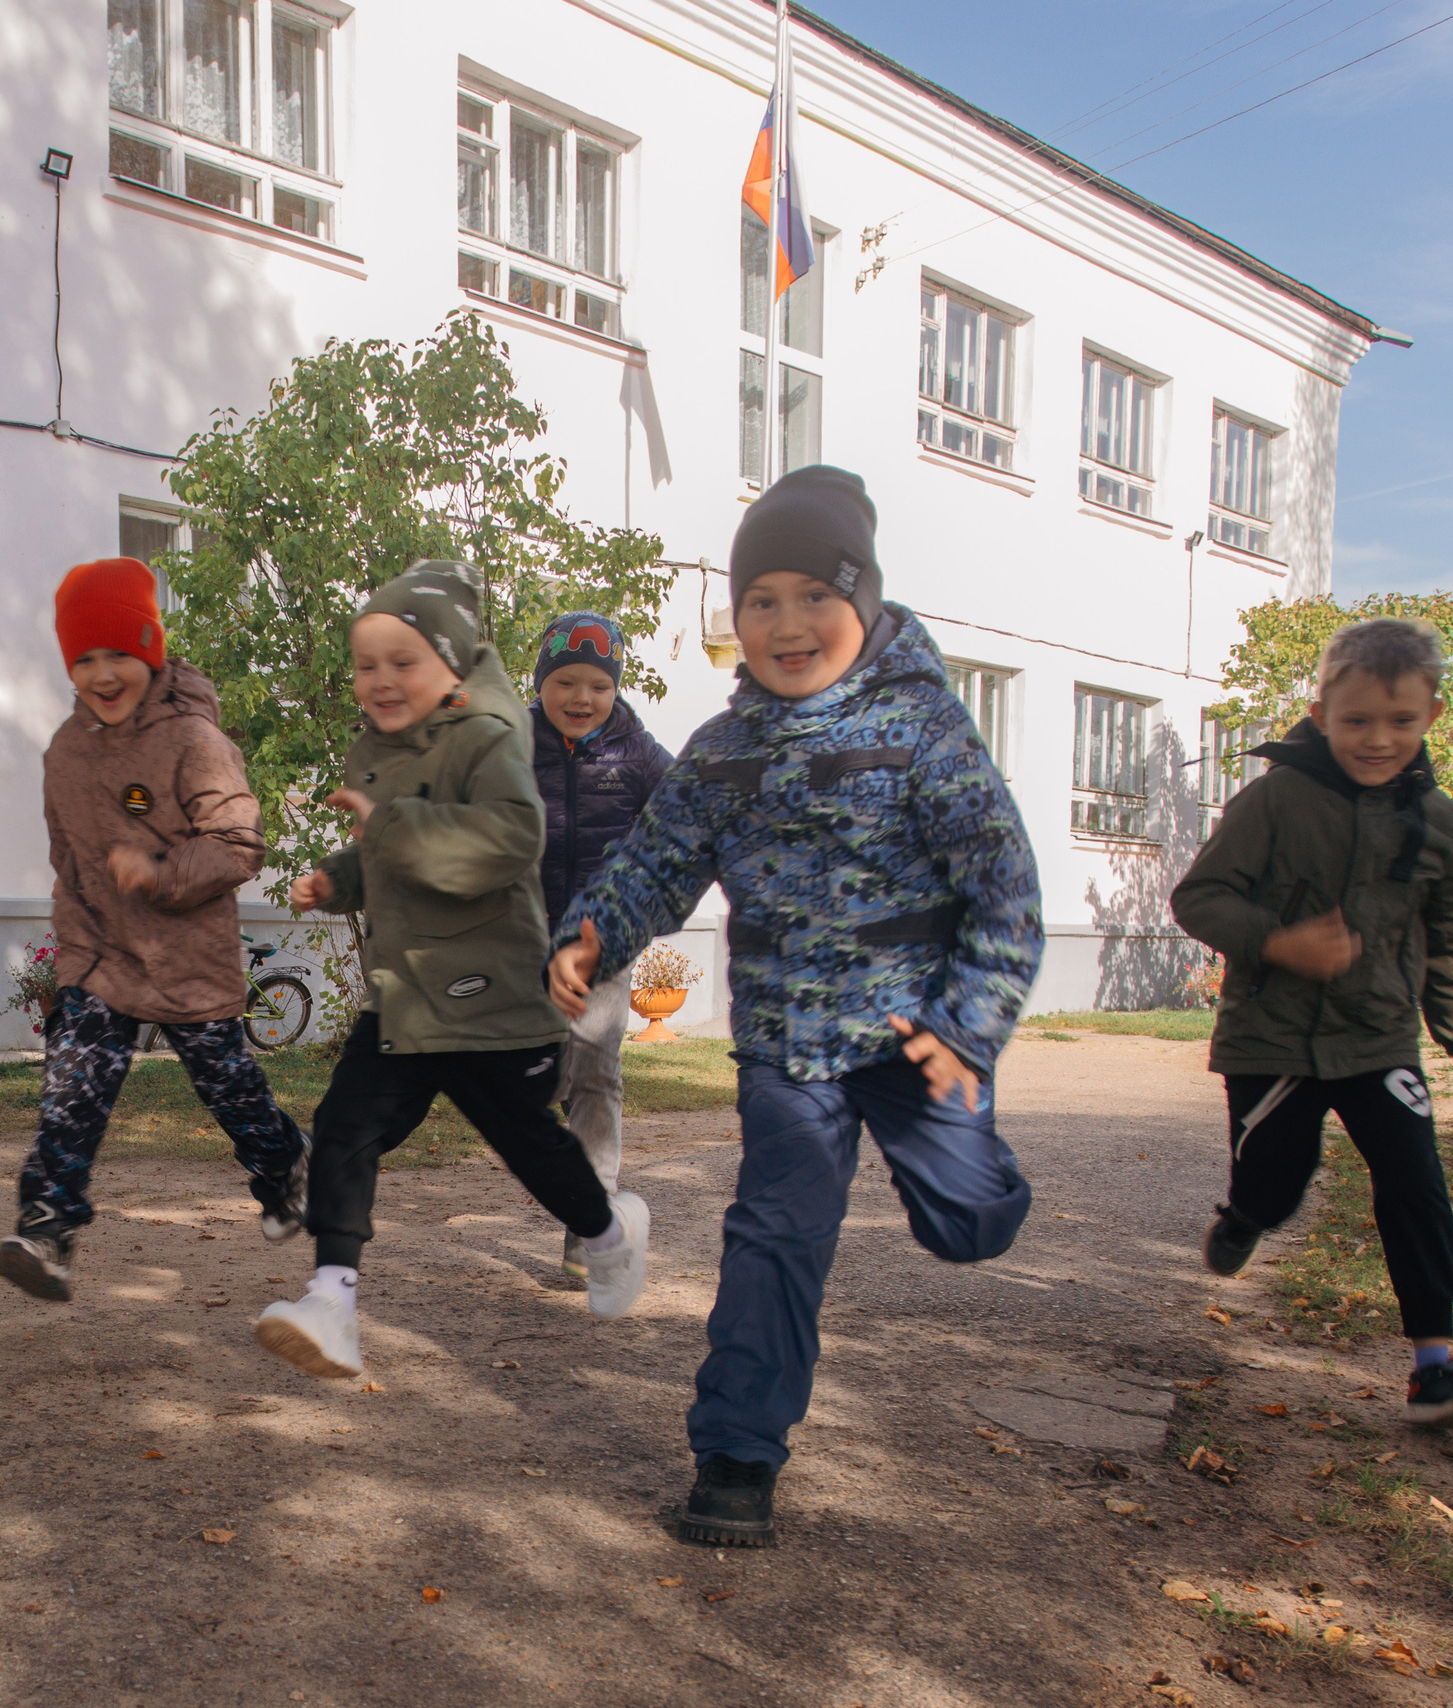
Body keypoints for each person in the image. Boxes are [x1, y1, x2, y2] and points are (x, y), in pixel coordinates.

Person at [549, 465, 1041, 1548]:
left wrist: (969, 1026)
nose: (786, 623)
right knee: (773, 1235)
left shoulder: (926, 731)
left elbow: (1004, 887)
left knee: (969, 1224)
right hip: (787, 1046)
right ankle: (736, 1454)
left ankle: (986, 1184)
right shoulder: (723, 753)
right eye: (758, 601)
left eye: (814, 595)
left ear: (861, 604)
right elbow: (650, 863)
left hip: (919, 1042)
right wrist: (590, 933)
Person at [253, 562, 651, 1382]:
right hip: (406, 992)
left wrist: (387, 829)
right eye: (367, 665)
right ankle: (332, 1303)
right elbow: (389, 848)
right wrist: (342, 878)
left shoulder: (494, 740)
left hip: (489, 993)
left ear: (453, 664)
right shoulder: (383, 751)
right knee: (345, 1124)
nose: (382, 681)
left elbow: (508, 840)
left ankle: (610, 1236)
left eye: (405, 662)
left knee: (528, 1140)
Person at [1170, 616, 1453, 1431]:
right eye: (1357, 720)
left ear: (1432, 715)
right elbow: (1200, 898)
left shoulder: (1438, 821)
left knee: (1415, 1181)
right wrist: (1279, 942)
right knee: (1277, 1185)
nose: (1377, 739)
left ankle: (1437, 1366)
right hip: (1275, 1039)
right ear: (1321, 711)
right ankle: (1246, 1215)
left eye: (1400, 721)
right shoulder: (1276, 799)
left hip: (1379, 1037)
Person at [0, 557, 310, 1303]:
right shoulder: (64, 755)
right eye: (85, 658)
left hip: (185, 961)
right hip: (100, 959)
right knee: (71, 1089)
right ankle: (47, 1228)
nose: (104, 674)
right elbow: (68, 864)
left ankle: (286, 1165)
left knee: (229, 1089)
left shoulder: (192, 740)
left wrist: (159, 873)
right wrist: (73, 960)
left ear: (151, 652)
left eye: (120, 654)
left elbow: (239, 842)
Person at [528, 611, 673, 1278]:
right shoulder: (509, 743)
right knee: (525, 1076)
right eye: (565, 682)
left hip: (603, 938)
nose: (581, 698)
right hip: (520, 936)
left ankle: (589, 1224)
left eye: (597, 685)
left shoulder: (639, 755)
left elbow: (686, 829)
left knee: (592, 1065)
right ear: (541, 683)